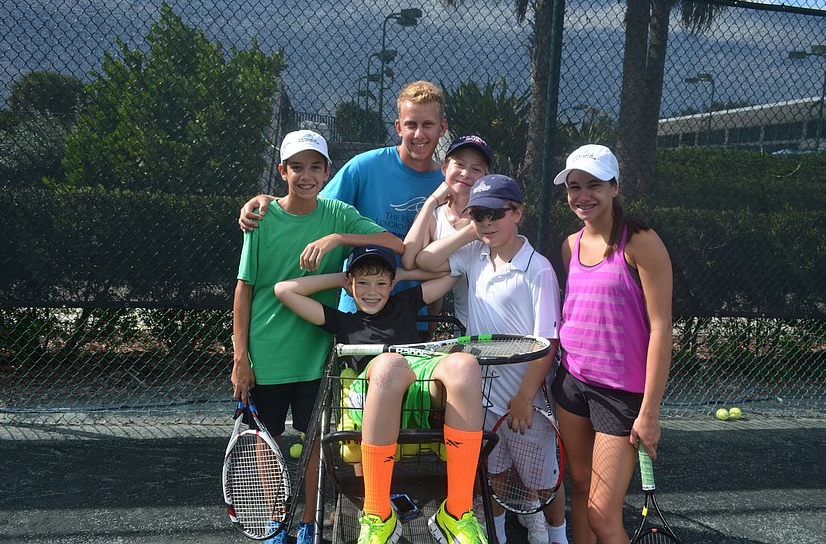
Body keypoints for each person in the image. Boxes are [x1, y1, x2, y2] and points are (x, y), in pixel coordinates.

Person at [231, 130, 403, 544]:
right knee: (265, 448)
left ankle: (309, 523)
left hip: (316, 356)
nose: (305, 176)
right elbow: (244, 290)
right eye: (296, 167)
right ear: (282, 172)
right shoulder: (261, 218)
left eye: (314, 167)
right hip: (265, 355)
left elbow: (392, 243)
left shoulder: (339, 214)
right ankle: (275, 523)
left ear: (327, 171)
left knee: (313, 445)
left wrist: (339, 238)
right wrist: (241, 357)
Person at [274, 245, 488, 544]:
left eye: (380, 283)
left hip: (417, 388)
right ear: (351, 284)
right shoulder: (343, 321)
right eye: (363, 282)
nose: (371, 291)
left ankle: (456, 512)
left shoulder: (405, 302)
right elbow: (284, 290)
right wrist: (344, 278)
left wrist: (401, 276)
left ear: (392, 284)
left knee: (465, 366)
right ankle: (378, 514)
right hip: (375, 385)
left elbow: (452, 273)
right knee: (389, 365)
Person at [415, 174, 569, 544]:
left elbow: (547, 341)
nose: (486, 222)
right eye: (478, 215)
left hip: (526, 399)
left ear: (517, 213)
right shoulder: (473, 255)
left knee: (544, 481)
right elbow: (423, 258)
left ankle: (560, 537)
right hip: (482, 397)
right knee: (493, 475)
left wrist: (524, 397)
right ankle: (497, 535)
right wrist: (469, 232)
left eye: (494, 214)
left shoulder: (539, 269)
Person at [239, 81, 448, 321]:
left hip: (415, 314)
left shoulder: (448, 184)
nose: (419, 134)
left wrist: (433, 311)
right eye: (411, 124)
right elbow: (314, 205)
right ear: (399, 127)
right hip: (357, 315)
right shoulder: (363, 167)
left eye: (428, 125)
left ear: (442, 127)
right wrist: (271, 201)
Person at [550, 144, 673, 544]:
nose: (582, 196)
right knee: (580, 489)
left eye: (594, 185)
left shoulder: (642, 242)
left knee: (603, 517)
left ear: (615, 187)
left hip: (619, 397)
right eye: (574, 187)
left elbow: (660, 327)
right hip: (571, 384)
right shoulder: (570, 245)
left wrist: (649, 412)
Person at [401, 135, 492, 333]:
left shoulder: (491, 220)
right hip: (464, 329)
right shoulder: (434, 216)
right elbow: (409, 259)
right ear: (444, 168)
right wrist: (430, 202)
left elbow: (434, 266)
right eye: (459, 164)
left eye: (476, 169)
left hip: (496, 325)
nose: (466, 173)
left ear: (485, 178)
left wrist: (409, 274)